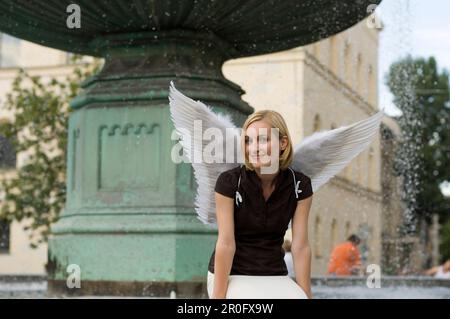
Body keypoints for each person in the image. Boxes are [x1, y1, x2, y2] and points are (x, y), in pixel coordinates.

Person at [207, 110, 314, 299]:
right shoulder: (229, 182)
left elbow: (300, 246)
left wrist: (306, 294)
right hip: (232, 273)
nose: (254, 148)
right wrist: (218, 296)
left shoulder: (300, 185)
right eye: (248, 141)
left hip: (275, 274)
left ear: (283, 143)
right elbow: (226, 242)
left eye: (263, 139)